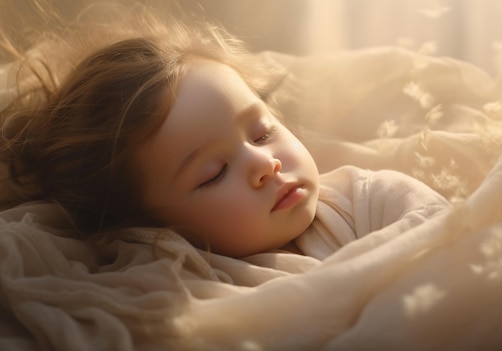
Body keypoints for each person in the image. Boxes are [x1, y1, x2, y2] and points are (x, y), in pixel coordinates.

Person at [0, 4, 449, 260]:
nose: (263, 164)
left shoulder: (373, 201)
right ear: (152, 224)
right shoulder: (182, 283)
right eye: (214, 173)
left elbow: (457, 243)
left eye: (261, 132)